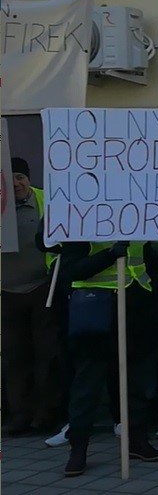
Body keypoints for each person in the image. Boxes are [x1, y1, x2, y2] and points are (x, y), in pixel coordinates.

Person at [57, 239, 158, 476]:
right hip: (96, 310)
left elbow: (147, 259)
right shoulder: (82, 226)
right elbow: (70, 270)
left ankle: (136, 440)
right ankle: (78, 449)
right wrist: (109, 255)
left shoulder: (137, 224)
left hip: (135, 306)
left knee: (136, 380)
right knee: (87, 386)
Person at [1, 157, 66, 436]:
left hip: (42, 288)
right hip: (6, 291)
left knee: (47, 354)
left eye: (21, 177)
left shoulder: (46, 200)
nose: (16, 183)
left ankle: (45, 414)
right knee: (14, 357)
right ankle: (19, 416)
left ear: (28, 178)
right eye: (10, 178)